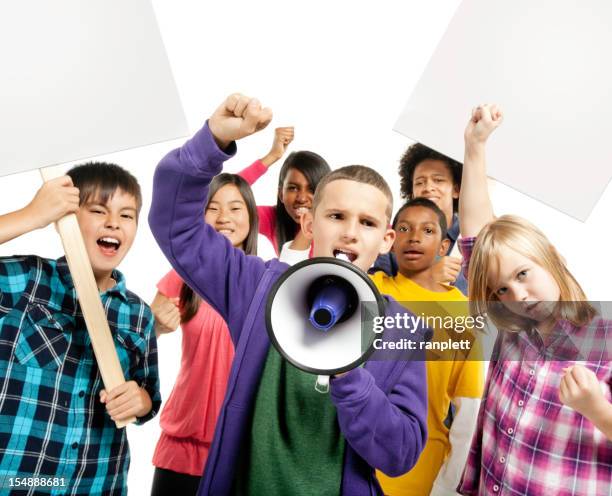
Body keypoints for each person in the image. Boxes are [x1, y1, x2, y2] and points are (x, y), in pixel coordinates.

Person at [149, 93, 428, 496]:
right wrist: (211, 142)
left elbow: (400, 454)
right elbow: (176, 226)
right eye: (336, 216)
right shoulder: (257, 288)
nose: (350, 232)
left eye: (367, 222)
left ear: (385, 240)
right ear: (309, 223)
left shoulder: (402, 331)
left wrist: (350, 376)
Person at [457, 104, 612, 495]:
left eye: (523, 274)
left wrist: (597, 408)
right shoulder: (514, 327)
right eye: (501, 290)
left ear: (552, 259)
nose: (518, 296)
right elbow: (476, 236)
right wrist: (475, 147)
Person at [0, 162, 160, 494]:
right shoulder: (26, 282)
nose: (113, 222)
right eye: (99, 210)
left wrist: (139, 401)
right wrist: (32, 214)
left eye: (126, 215)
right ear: (66, 220)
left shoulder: (138, 315)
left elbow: (149, 398)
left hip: (99, 483)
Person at [149, 173, 259, 496]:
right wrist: (155, 327)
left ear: (252, 217)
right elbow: (139, 336)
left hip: (241, 444)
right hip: (183, 440)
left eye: (235, 208)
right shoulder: (182, 275)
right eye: (213, 207)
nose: (224, 217)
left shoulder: (265, 279)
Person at [371, 198, 484, 495]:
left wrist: (449, 483)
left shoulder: (463, 312)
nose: (415, 238)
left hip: (423, 469)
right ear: (391, 239)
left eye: (428, 231)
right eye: (405, 228)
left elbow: (469, 408)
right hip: (358, 458)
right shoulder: (371, 289)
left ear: (445, 246)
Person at [371, 143, 467, 294]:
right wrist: (426, 279)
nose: (428, 187)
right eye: (420, 182)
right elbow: (374, 296)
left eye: (438, 180)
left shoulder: (471, 238)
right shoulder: (395, 236)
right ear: (412, 191)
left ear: (456, 190)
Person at [238, 127, 331, 261]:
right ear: (281, 194)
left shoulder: (337, 220)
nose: (302, 198)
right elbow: (222, 196)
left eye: (312, 189)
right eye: (293, 188)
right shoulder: (273, 219)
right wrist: (272, 156)